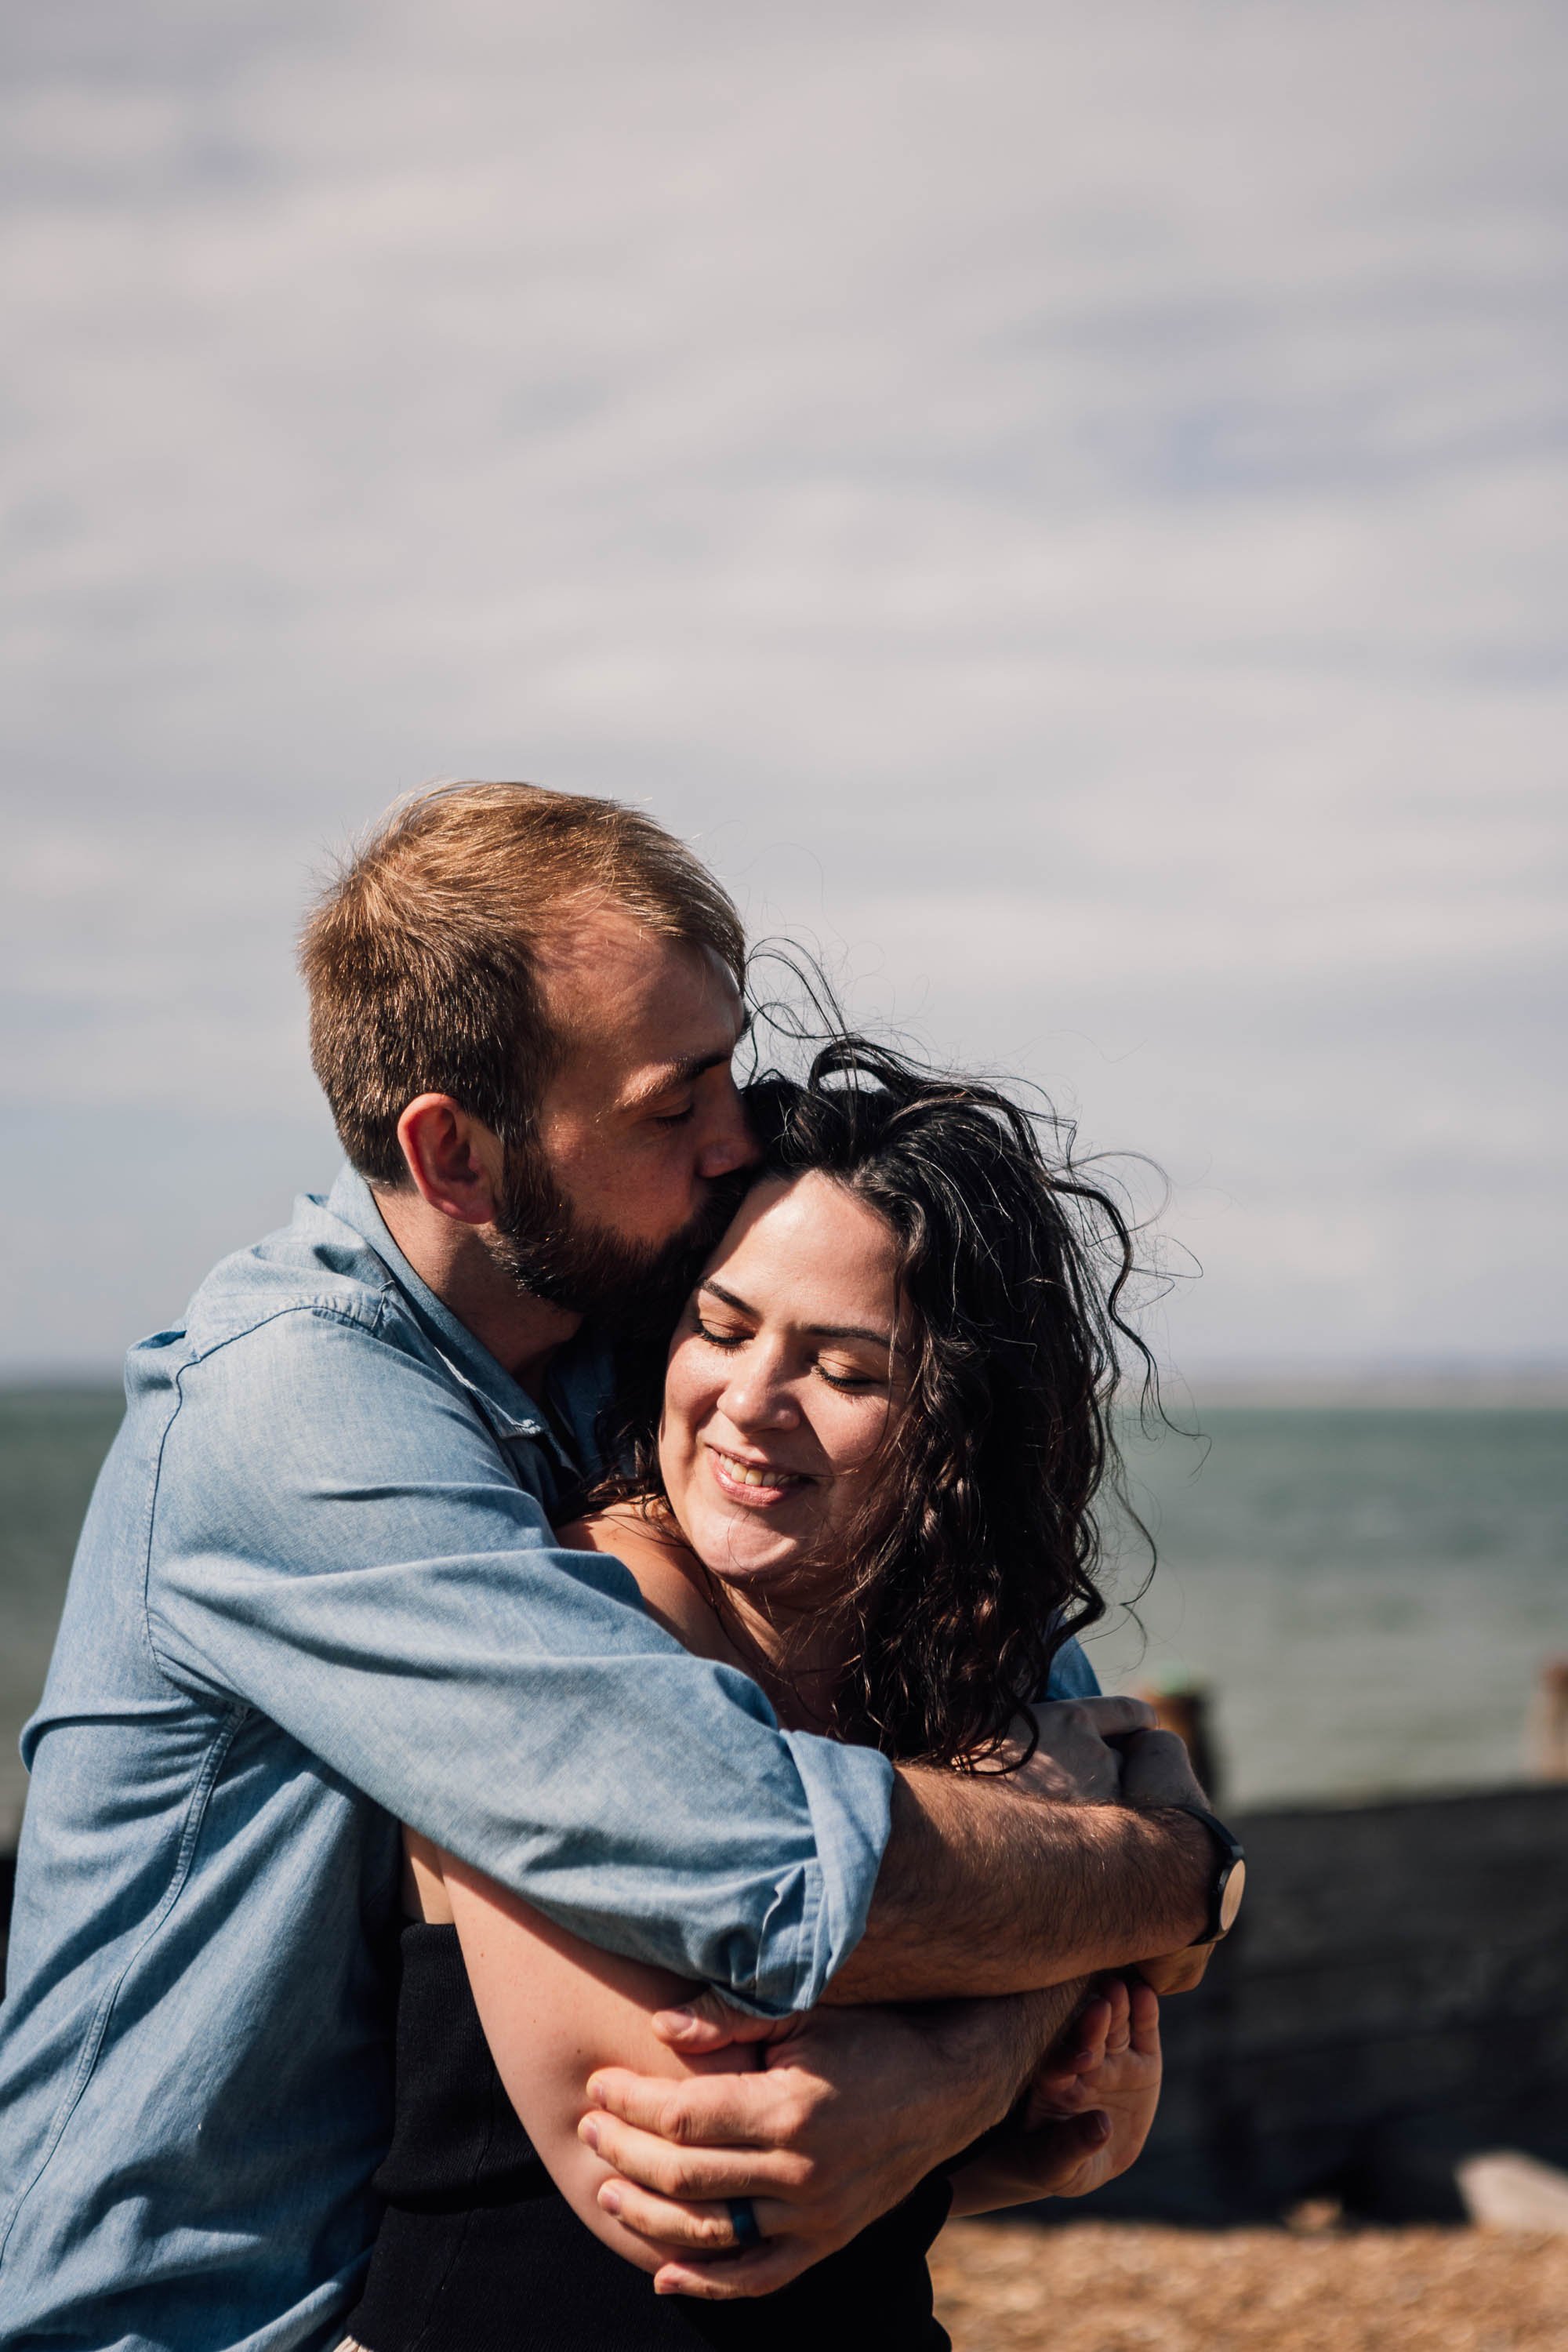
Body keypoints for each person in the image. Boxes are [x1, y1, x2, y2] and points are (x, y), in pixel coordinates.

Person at [0, 784, 1222, 2351]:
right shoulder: (296, 1418)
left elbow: (1011, 1713)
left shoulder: (610, 1336)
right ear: (455, 1158)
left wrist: (1009, 2015)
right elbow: (770, 1871)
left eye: (727, 1068)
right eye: (673, 1103)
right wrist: (1168, 1886)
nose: (734, 1141)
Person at [344, 1043, 1179, 2350]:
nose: (750, 1403)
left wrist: (989, 2118)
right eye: (721, 1330)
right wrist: (1020, 2004)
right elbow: (702, 2186)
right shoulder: (561, 1629)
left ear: (962, 1430)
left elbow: (905, 2159)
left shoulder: (950, 1662)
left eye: (846, 1373)